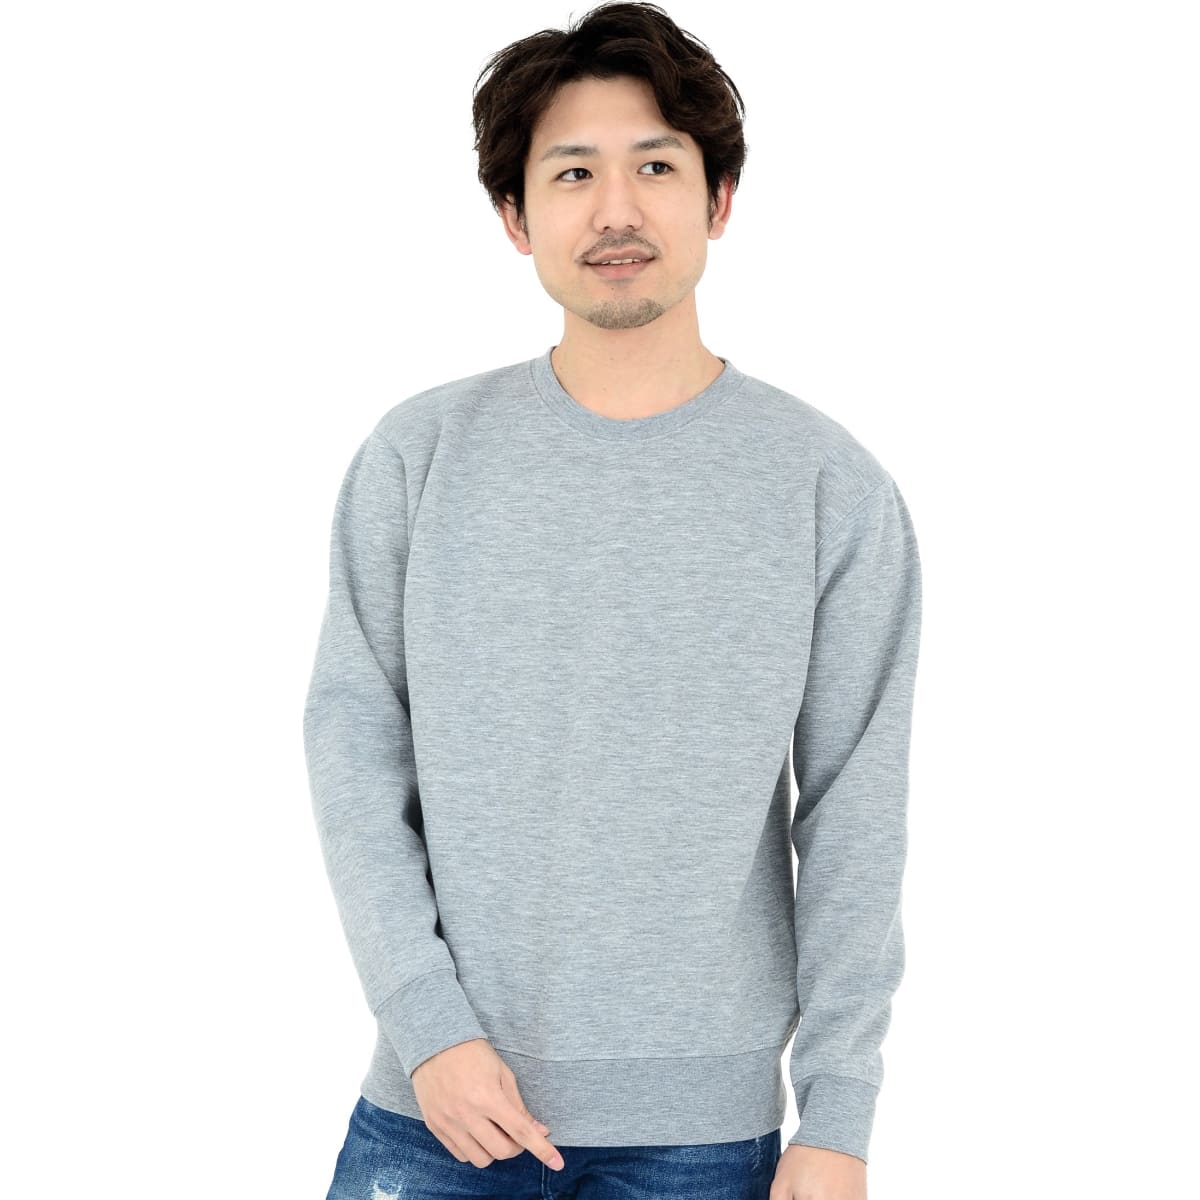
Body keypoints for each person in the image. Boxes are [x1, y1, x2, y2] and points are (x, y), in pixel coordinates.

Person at [302, 3, 924, 1198]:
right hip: (440, 1111)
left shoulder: (828, 488)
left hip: (701, 1138)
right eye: (574, 172)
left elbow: (856, 811)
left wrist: (839, 1115)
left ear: (720, 200)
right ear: (515, 216)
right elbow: (352, 751)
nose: (616, 210)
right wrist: (427, 1027)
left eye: (657, 166)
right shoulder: (419, 457)